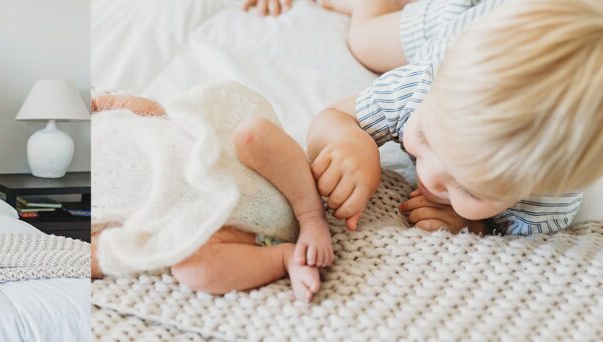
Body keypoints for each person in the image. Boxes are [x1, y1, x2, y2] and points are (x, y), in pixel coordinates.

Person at [307, 0, 603, 235]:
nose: (431, 177)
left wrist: (475, 226)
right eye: (424, 136)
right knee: (365, 41)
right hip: (465, 19)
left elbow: (510, 243)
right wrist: (353, 141)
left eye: (468, 189)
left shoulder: (542, 208)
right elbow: (334, 116)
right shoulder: (426, 87)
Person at [91, 83, 333, 302]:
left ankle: (311, 214)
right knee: (191, 268)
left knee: (253, 133)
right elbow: (96, 254)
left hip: (241, 167)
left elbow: (156, 112)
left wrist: (99, 103)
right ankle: (284, 257)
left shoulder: (99, 115)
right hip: (218, 224)